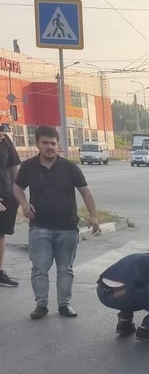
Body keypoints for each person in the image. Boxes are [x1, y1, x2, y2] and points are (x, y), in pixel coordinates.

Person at [12, 125, 100, 319]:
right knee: (39, 269)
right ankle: (41, 304)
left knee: (65, 269)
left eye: (53, 143)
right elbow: (17, 187)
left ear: (58, 144)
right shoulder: (28, 167)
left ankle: (64, 304)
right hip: (39, 228)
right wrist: (24, 204)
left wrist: (93, 216)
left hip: (67, 228)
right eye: (45, 143)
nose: (50, 147)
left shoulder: (69, 167)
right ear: (37, 144)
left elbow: (85, 191)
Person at [0, 123, 21, 287]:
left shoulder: (5, 140)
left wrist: (17, 193)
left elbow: (14, 166)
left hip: (5, 195)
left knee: (0, 234)